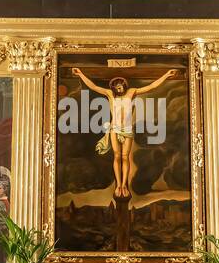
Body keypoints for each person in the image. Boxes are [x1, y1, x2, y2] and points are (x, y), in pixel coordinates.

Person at [71, 66, 178, 199]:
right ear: (114, 87)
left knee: (125, 157)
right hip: (115, 129)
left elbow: (151, 87)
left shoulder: (131, 93)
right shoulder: (110, 95)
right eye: (116, 85)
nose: (119, 86)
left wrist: (166, 75)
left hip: (127, 129)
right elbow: (93, 86)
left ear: (124, 85)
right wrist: (81, 73)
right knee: (117, 157)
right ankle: (118, 186)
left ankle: (124, 185)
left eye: (121, 84)